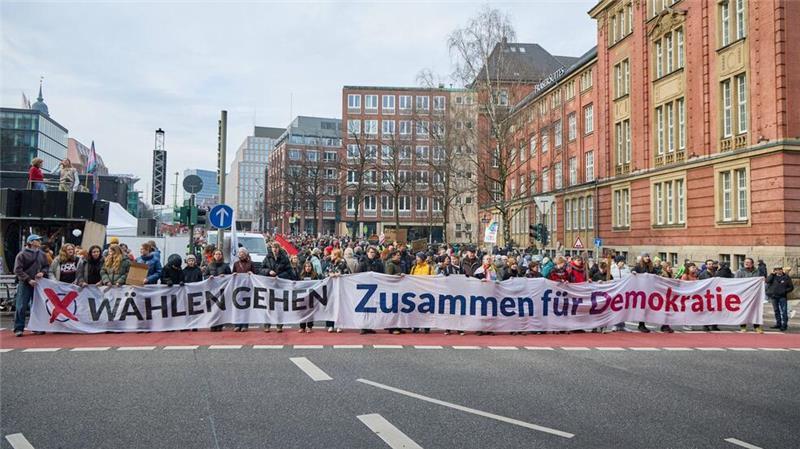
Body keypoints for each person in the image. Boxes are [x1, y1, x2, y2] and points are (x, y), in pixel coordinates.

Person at [13, 234, 50, 337]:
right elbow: (17, 270)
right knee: (21, 305)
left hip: (38, 284)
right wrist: (28, 279)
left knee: (37, 306)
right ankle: (18, 328)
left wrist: (42, 272)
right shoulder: (22, 254)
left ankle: (36, 327)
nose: (39, 241)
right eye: (37, 240)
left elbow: (46, 266)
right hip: (25, 283)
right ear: (31, 242)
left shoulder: (42, 254)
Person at [356, 246, 384, 334]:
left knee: (372, 309)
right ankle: (363, 327)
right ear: (367, 253)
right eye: (370, 252)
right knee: (364, 310)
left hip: (375, 288)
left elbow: (382, 274)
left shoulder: (378, 263)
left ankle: (370, 326)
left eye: (373, 252)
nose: (372, 254)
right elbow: (358, 275)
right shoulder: (362, 263)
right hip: (365, 289)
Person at [324, 248, 350, 332]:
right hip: (331, 287)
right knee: (331, 306)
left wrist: (339, 274)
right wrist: (329, 274)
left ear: (336, 255)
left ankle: (339, 324)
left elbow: (347, 274)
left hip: (340, 287)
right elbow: (325, 273)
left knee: (339, 306)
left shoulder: (343, 263)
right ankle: (330, 325)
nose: (331, 255)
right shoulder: (330, 263)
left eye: (332, 254)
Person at [205, 249, 231, 332]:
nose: (218, 255)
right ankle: (213, 324)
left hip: (222, 289)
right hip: (212, 290)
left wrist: (225, 276)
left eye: (219, 254)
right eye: (216, 254)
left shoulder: (225, 266)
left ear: (222, 256)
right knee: (212, 307)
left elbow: (229, 277)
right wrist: (209, 277)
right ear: (213, 255)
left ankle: (220, 324)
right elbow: (205, 276)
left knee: (220, 307)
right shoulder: (210, 266)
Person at [735, 257, 763, 333]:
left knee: (756, 310)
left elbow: (760, 281)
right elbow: (735, 282)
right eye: (745, 262)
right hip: (744, 294)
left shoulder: (757, 271)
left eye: (748, 262)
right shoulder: (739, 271)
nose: (746, 263)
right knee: (744, 310)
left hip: (754, 294)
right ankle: (743, 326)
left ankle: (757, 327)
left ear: (752, 264)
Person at [631, 253, 657, 333]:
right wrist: (634, 272)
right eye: (646, 256)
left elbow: (656, 273)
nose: (647, 258)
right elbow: (632, 270)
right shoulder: (639, 266)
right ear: (642, 258)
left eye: (648, 256)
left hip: (649, 289)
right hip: (641, 290)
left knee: (647, 308)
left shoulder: (651, 266)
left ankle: (643, 323)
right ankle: (641, 324)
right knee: (642, 307)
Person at [410, 252, 433, 333]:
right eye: (416, 257)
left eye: (418, 257)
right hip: (416, 291)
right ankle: (416, 326)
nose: (416, 259)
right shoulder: (414, 267)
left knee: (426, 309)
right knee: (416, 309)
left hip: (426, 291)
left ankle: (427, 326)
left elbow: (433, 278)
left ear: (422, 258)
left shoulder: (429, 267)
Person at [233, 248, 255, 332]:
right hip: (238, 288)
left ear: (246, 254)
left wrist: (252, 274)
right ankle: (237, 325)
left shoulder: (251, 263)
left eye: (242, 253)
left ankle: (245, 325)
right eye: (240, 253)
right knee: (237, 306)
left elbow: (255, 274)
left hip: (247, 288)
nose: (241, 254)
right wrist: (234, 274)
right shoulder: (236, 264)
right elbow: (232, 274)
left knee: (246, 307)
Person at [766, 265, 794, 331]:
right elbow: (767, 281)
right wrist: (771, 274)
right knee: (776, 311)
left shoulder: (786, 277)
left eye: (779, 269)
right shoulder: (773, 276)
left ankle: (784, 324)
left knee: (784, 311)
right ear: (774, 270)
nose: (778, 271)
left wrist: (784, 291)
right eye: (776, 269)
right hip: (774, 296)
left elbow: (791, 287)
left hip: (782, 297)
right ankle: (778, 324)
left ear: (781, 270)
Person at [297, 261, 318, 333]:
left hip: (311, 296)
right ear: (304, 267)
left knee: (310, 311)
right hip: (302, 296)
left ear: (311, 267)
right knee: (302, 312)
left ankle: (309, 327)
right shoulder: (301, 275)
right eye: (306, 266)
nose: (308, 268)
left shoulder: (315, 275)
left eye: (309, 266)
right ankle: (302, 327)